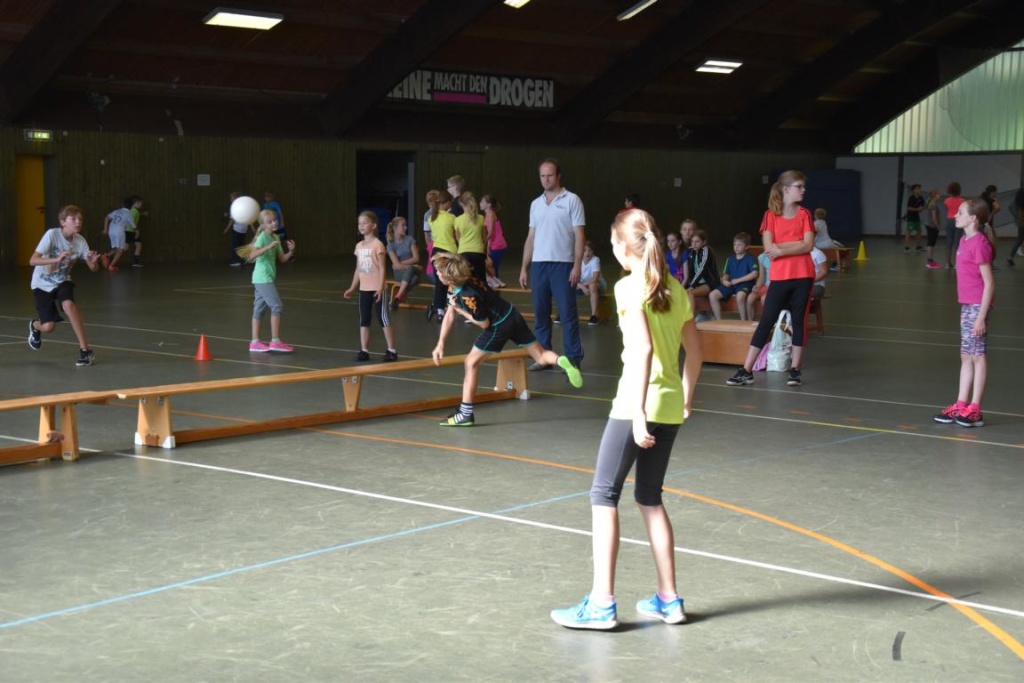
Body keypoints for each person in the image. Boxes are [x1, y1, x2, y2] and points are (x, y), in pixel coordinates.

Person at [550, 208, 702, 630]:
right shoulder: (675, 288)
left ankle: (601, 604)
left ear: (621, 248)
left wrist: (637, 414)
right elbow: (697, 352)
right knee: (650, 498)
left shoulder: (627, 287)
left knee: (603, 495)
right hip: (669, 407)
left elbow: (642, 350)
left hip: (636, 405)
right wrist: (686, 398)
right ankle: (669, 600)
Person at [431, 252, 582, 427]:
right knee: (540, 356)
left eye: (439, 272)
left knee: (471, 363)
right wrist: (440, 343)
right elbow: (450, 313)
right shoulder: (461, 282)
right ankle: (561, 360)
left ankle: (465, 414)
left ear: (450, 276)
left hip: (498, 325)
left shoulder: (467, 295)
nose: (437, 274)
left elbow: (484, 323)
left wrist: (462, 312)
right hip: (512, 314)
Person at [726, 170, 816, 388]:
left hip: (803, 275)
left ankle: (795, 369)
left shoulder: (804, 214)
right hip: (780, 277)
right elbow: (768, 248)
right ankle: (746, 370)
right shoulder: (770, 216)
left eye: (803, 186)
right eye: (799, 186)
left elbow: (808, 245)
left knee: (798, 321)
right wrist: (796, 244)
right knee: (766, 321)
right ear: (786, 189)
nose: (803, 190)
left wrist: (782, 249)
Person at [932, 198, 994, 428]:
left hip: (977, 306)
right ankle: (961, 404)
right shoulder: (964, 240)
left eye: (960, 213)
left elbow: (989, 284)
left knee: (978, 356)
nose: (955, 216)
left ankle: (975, 409)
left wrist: (981, 317)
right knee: (966, 355)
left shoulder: (980, 243)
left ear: (973, 218)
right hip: (967, 305)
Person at [519, 158, 585, 371]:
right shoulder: (535, 204)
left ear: (558, 176)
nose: (546, 179)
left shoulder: (572, 200)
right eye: (542, 176)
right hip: (539, 265)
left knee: (567, 314)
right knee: (540, 314)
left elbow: (579, 235)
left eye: (550, 175)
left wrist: (577, 265)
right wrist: (524, 267)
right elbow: (531, 237)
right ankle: (544, 357)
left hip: (563, 265)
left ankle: (573, 358)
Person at [28, 205, 102, 367]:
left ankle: (85, 350)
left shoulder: (80, 241)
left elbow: (93, 268)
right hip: (41, 283)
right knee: (48, 327)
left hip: (62, 281)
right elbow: (33, 260)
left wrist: (93, 262)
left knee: (69, 305)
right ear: (63, 222)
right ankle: (35, 325)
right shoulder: (52, 235)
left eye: (80, 219)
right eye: (73, 219)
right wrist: (56, 259)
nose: (78, 222)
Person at [344, 211, 398, 362]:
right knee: (364, 319)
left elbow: (382, 268)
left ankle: (391, 350)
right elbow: (358, 269)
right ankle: (364, 350)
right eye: (359, 223)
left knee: (383, 318)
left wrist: (380, 287)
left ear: (373, 226)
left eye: (365, 223)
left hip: (377, 288)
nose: (361, 226)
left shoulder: (378, 245)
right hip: (364, 289)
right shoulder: (359, 246)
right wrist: (352, 287)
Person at [244, 210, 296, 353]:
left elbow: (282, 259)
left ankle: (255, 343)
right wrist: (267, 247)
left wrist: (291, 251)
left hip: (265, 278)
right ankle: (275, 341)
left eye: (275, 220)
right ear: (263, 225)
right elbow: (252, 255)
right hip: (262, 278)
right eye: (270, 221)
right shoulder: (262, 237)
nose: (274, 223)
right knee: (277, 306)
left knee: (259, 310)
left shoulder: (276, 237)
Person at [709, 232, 758, 320]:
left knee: (740, 296)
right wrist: (724, 281)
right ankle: (719, 321)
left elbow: (755, 274)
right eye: (735, 244)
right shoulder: (730, 258)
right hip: (732, 284)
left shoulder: (750, 258)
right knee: (712, 295)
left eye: (739, 245)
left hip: (745, 284)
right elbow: (726, 274)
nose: (736, 247)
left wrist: (738, 280)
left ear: (746, 246)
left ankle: (743, 321)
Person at [425, 189, 457, 321]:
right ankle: (455, 306)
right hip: (449, 252)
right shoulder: (452, 218)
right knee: (453, 281)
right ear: (448, 202)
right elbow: (455, 236)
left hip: (436, 252)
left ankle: (439, 310)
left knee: (440, 282)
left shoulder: (431, 218)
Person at [386, 216, 422, 310]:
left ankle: (398, 295)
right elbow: (397, 266)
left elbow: (416, 258)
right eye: (403, 225)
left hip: (413, 270)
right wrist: (412, 266)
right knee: (414, 278)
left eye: (405, 225)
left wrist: (401, 263)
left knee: (411, 269)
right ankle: (400, 296)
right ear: (395, 228)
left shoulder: (410, 239)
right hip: (400, 273)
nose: (405, 228)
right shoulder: (391, 245)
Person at [683, 229, 719, 315]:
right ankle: (698, 315)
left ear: (704, 242)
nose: (694, 244)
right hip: (697, 283)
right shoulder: (691, 251)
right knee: (683, 293)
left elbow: (701, 269)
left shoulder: (706, 251)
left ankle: (691, 319)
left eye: (697, 241)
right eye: (692, 241)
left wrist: (692, 286)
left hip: (709, 283)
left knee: (690, 293)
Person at [455, 191, 488, 283]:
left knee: (466, 281)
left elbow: (458, 238)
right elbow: (484, 238)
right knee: (481, 280)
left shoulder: (457, 220)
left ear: (461, 203)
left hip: (463, 252)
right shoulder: (481, 218)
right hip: (478, 252)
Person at [100, 197, 135, 271]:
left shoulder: (117, 211)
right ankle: (111, 266)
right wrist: (135, 229)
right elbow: (133, 226)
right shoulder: (128, 214)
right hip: (119, 231)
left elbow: (107, 217)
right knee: (120, 250)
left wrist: (105, 229)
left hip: (111, 230)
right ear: (132, 206)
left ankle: (105, 256)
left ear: (123, 204)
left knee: (119, 248)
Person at [578, 241, 607, 326]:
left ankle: (594, 316)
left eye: (590, 250)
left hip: (598, 285)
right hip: (583, 286)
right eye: (585, 250)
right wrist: (582, 287)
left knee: (592, 285)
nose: (587, 253)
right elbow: (574, 279)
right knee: (566, 285)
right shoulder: (578, 261)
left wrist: (582, 286)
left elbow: (595, 278)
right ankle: (562, 314)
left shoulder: (595, 260)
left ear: (593, 251)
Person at [480, 194, 507, 278]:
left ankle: (496, 283)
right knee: (492, 267)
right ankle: (495, 283)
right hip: (494, 245)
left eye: (482, 202)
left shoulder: (491, 214)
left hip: (498, 245)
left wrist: (483, 243)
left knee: (490, 266)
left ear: (489, 204)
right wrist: (488, 246)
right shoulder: (487, 214)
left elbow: (491, 233)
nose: (480, 203)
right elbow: (490, 233)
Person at [224, 191, 252, 267]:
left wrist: (226, 229)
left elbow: (232, 220)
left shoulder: (234, 206)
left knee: (235, 245)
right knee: (241, 245)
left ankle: (235, 260)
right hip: (244, 228)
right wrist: (252, 227)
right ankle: (242, 260)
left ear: (236, 198)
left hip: (237, 229)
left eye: (231, 198)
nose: (230, 200)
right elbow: (249, 217)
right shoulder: (244, 206)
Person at [745, 248, 772, 320]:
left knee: (764, 299)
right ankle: (750, 322)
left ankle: (767, 321)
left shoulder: (779, 255)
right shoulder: (762, 257)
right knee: (750, 298)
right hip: (766, 285)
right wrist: (757, 286)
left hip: (775, 286)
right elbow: (761, 277)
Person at [943, 182, 965, 268]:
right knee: (957, 242)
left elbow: (947, 209)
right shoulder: (962, 201)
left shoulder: (946, 201)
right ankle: (956, 263)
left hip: (949, 220)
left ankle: (948, 263)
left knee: (949, 240)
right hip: (958, 220)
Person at [923, 189, 943, 269]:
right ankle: (929, 262)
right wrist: (937, 226)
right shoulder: (933, 204)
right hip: (932, 226)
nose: (940, 195)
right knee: (930, 244)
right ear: (934, 195)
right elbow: (934, 217)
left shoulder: (931, 203)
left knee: (931, 243)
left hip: (930, 225)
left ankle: (931, 260)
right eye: (938, 194)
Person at [904, 185, 925, 253]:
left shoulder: (921, 198)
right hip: (910, 218)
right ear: (913, 191)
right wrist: (917, 209)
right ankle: (906, 248)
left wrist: (921, 209)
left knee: (919, 232)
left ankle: (918, 247)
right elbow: (909, 208)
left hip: (916, 217)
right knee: (908, 232)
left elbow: (922, 206)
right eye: (918, 189)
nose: (919, 190)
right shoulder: (911, 198)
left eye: (920, 189)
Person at [981, 185, 1000, 258]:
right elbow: (998, 207)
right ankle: (989, 257)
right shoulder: (992, 200)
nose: (996, 194)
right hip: (987, 223)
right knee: (990, 240)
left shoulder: (982, 198)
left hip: (981, 221)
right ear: (992, 192)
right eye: (995, 192)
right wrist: (992, 214)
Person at [1008, 189, 1024, 267]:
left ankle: (1010, 257)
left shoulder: (1018, 200)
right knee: (1020, 240)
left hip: (1020, 221)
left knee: (1019, 240)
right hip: (1021, 220)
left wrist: (1016, 216)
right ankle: (1010, 257)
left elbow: (1010, 207)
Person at [127, 195, 144, 266]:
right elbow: (132, 222)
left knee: (137, 244)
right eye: (141, 203)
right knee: (138, 244)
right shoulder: (135, 212)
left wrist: (143, 214)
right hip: (130, 231)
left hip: (128, 230)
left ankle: (107, 255)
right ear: (137, 202)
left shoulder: (131, 210)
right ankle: (136, 262)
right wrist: (136, 230)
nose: (141, 205)